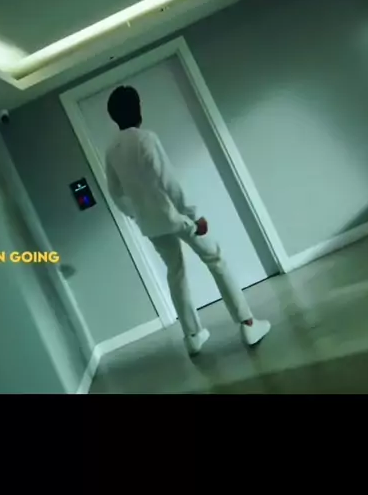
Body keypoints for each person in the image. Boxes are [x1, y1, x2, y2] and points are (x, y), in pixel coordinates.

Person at [105, 85, 271, 356]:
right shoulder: (146, 139)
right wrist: (194, 215)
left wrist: (137, 214)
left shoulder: (112, 150)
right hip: (176, 218)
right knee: (215, 259)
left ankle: (192, 336)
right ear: (136, 108)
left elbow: (115, 193)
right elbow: (169, 182)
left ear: (114, 116)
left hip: (151, 225)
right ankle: (248, 323)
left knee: (175, 273)